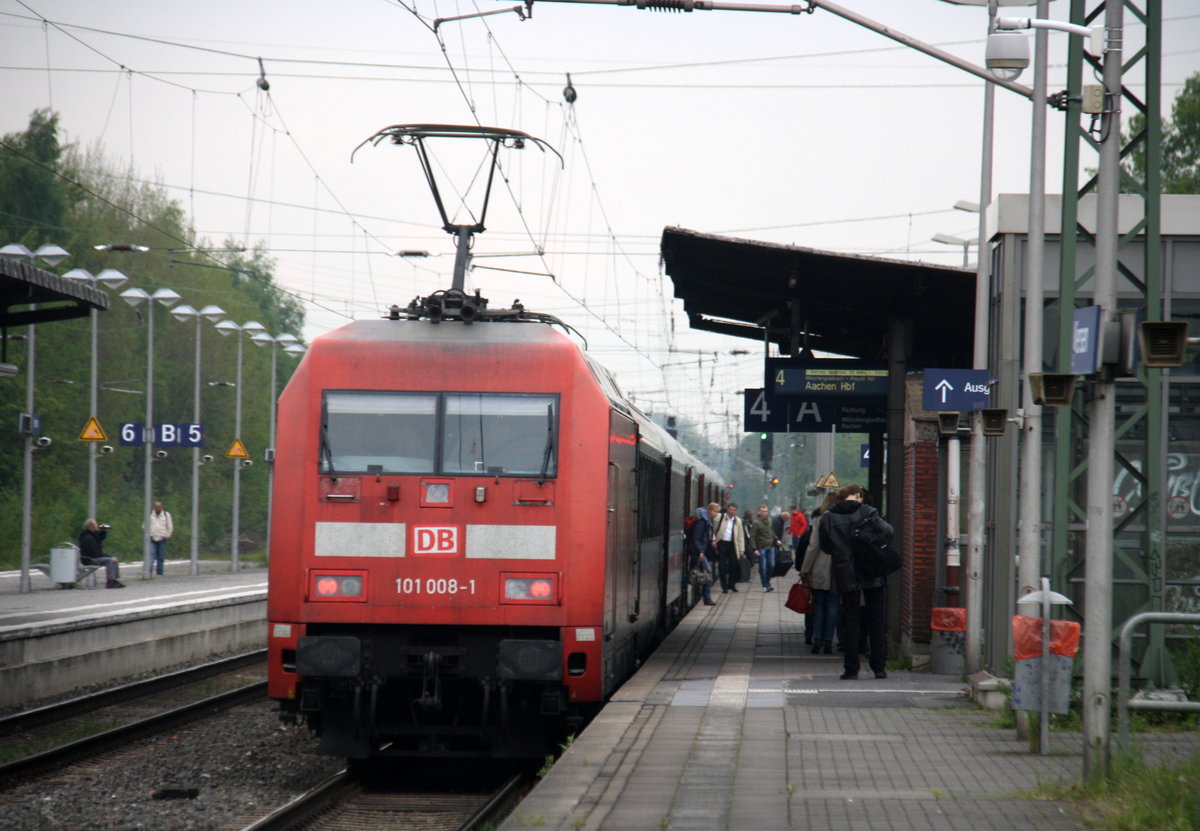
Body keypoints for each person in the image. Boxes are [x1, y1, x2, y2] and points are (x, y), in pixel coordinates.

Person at [819, 484, 891, 680]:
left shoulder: (828, 517)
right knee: (876, 618)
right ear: (858, 496)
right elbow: (888, 531)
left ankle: (851, 668)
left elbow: (825, 547)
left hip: (845, 572)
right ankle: (879, 667)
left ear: (841, 498)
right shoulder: (868, 512)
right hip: (871, 570)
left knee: (850, 619)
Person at [798, 492, 840, 655]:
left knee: (818, 605)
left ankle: (817, 639)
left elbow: (813, 546)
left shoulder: (819, 520)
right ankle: (829, 640)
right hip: (838, 569)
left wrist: (805, 568)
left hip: (820, 568)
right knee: (833, 606)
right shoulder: (844, 519)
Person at [79, 518, 124, 588]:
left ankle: (114, 580)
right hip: (89, 559)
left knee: (113, 560)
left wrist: (103, 529)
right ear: (91, 527)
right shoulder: (88, 538)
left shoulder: (92, 535)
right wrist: (110, 557)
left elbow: (100, 537)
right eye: (95, 524)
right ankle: (110, 582)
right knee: (110, 560)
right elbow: (95, 553)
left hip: (94, 557)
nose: (97, 525)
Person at [686, 505, 715, 606]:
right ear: (710, 511)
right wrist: (700, 551)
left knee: (704, 573)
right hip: (699, 552)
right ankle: (707, 598)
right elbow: (696, 538)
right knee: (709, 573)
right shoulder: (701, 523)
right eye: (715, 512)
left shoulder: (707, 522)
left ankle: (706, 597)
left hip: (702, 551)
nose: (716, 514)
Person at [711, 502, 744, 594]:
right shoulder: (719, 517)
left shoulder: (737, 521)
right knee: (722, 566)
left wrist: (741, 549)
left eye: (734, 510)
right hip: (721, 543)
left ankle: (732, 584)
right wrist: (713, 539)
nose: (732, 511)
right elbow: (712, 529)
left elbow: (740, 536)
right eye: (731, 509)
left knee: (733, 565)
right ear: (727, 509)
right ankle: (724, 587)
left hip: (732, 544)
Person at [750, 504, 780, 592]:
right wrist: (754, 549)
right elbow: (752, 536)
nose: (764, 513)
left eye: (766, 511)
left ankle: (767, 581)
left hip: (770, 546)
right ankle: (764, 584)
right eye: (763, 511)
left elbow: (771, 531)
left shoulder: (770, 520)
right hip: (761, 547)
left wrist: (776, 539)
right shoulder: (756, 523)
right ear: (759, 512)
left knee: (771, 565)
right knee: (763, 567)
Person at [148, 501, 174, 576]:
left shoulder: (166, 515)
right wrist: (149, 534)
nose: (158, 509)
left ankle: (159, 572)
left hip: (162, 538)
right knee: (151, 555)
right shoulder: (150, 515)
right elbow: (145, 526)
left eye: (159, 507)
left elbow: (170, 527)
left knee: (161, 556)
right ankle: (149, 570)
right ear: (154, 507)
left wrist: (167, 535)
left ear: (162, 507)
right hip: (152, 538)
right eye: (157, 507)